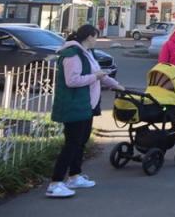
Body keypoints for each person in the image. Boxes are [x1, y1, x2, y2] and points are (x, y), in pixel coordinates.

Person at [47, 25, 124, 199]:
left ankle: (74, 176)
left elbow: (99, 73)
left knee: (80, 142)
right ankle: (55, 183)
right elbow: (72, 80)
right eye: (96, 36)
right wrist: (95, 77)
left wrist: (115, 84)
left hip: (86, 105)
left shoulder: (87, 53)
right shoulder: (73, 54)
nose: (96, 39)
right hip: (74, 105)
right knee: (72, 143)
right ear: (89, 36)